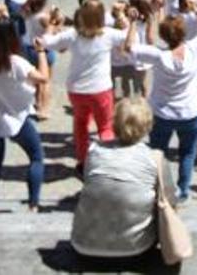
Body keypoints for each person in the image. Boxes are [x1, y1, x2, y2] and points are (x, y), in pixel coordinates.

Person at [70, 96, 177, 262]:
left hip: (83, 245)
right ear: (148, 126)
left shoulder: (94, 151)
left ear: (115, 123)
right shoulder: (154, 158)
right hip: (136, 250)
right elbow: (170, 200)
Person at [125, 7, 197, 203]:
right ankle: (183, 190)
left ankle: (158, 188)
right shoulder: (193, 48)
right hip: (190, 111)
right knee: (187, 152)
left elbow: (129, 47)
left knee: (157, 152)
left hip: (162, 112)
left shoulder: (158, 56)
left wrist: (131, 22)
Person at [0, 18, 48, 212]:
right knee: (36, 156)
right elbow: (43, 78)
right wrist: (41, 53)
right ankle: (33, 204)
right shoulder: (16, 63)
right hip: (16, 117)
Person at [46, 0, 126, 169]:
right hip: (100, 88)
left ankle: (82, 160)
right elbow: (129, 37)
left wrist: (52, 24)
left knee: (80, 124)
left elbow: (47, 42)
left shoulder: (72, 34)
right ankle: (107, 162)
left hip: (76, 89)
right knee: (105, 126)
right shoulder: (108, 34)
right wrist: (125, 18)